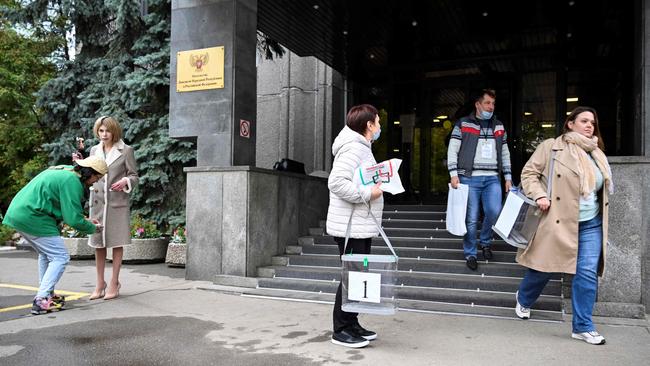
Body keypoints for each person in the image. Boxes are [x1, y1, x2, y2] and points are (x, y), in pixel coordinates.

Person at [514, 106, 612, 345]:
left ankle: (582, 326)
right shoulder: (551, 147)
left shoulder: (596, 152)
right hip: (558, 219)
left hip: (590, 223)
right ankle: (524, 298)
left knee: (587, 273)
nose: (590, 125)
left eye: (593, 122)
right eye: (584, 121)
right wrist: (538, 195)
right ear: (570, 123)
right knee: (545, 268)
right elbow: (529, 173)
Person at [2, 157, 107, 314]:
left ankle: (47, 294)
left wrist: (84, 219)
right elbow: (72, 219)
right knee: (60, 256)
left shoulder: (66, 171)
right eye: (96, 178)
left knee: (46, 254)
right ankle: (42, 299)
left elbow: (63, 207)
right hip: (33, 216)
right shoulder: (72, 182)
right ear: (88, 172)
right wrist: (92, 228)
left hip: (21, 212)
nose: (95, 182)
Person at [326, 104, 384, 348]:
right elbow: (336, 182)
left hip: (359, 225)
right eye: (378, 122)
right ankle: (341, 329)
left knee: (357, 274)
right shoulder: (353, 148)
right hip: (351, 227)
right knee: (351, 275)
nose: (380, 126)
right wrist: (367, 193)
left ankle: (352, 323)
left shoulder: (362, 147)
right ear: (368, 125)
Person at [74, 116, 139, 301]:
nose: (104, 134)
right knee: (98, 244)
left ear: (114, 131)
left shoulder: (126, 151)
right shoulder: (94, 150)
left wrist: (125, 181)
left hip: (117, 203)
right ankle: (99, 283)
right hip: (97, 203)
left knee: (116, 243)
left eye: (107, 131)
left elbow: (134, 175)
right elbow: (88, 173)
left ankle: (114, 282)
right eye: (101, 131)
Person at [447, 89, 513, 270]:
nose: (491, 107)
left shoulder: (499, 126)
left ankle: (485, 241)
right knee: (471, 218)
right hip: (469, 178)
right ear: (478, 104)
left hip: (492, 178)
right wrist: (453, 174)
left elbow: (505, 153)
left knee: (494, 211)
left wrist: (507, 176)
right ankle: (471, 253)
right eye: (487, 103)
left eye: (493, 104)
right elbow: (452, 150)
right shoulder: (463, 124)